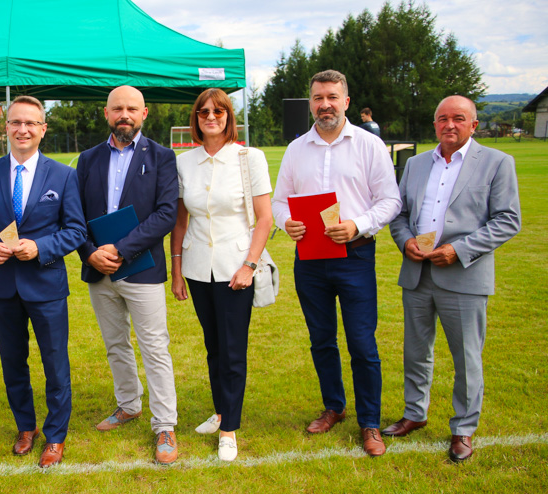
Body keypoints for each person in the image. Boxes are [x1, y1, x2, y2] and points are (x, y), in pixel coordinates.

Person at [383, 95, 521, 462]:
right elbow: (399, 214)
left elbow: (507, 220)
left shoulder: (496, 162)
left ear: (473, 124)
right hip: (417, 273)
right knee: (415, 351)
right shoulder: (414, 164)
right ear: (434, 125)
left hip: (463, 275)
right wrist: (405, 241)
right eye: (442, 119)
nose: (450, 125)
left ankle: (463, 428)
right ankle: (415, 413)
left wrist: (459, 250)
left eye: (459, 118)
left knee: (466, 357)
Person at [271, 70, 401, 457]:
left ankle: (371, 422)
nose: (324, 104)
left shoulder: (368, 144)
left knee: (362, 342)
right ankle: (334, 406)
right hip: (309, 257)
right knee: (321, 338)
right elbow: (280, 201)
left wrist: (357, 224)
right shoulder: (297, 149)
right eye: (317, 97)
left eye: (331, 97)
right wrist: (286, 222)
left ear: (346, 101)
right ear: (310, 102)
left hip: (355, 254)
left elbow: (390, 200)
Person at [0, 96, 85, 469]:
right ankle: (25, 426)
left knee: (55, 362)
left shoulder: (64, 175)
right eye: (15, 123)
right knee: (12, 362)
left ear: (42, 129)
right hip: (3, 285)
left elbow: (75, 230)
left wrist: (41, 247)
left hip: (46, 284)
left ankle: (55, 435)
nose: (23, 129)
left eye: (31, 123)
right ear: (6, 128)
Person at [76, 86, 180, 465]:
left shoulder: (164, 158)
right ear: (106, 113)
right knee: (115, 342)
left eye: (132, 109)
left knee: (154, 346)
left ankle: (165, 423)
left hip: (142, 268)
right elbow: (75, 216)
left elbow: (166, 214)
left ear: (145, 113)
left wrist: (120, 249)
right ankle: (128, 404)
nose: (125, 114)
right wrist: (90, 252)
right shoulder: (86, 160)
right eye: (118, 108)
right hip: (98, 268)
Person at [170, 88, 274, 461]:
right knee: (214, 346)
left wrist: (249, 265)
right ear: (195, 119)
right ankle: (219, 411)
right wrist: (177, 270)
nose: (211, 117)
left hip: (236, 269)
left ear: (229, 116)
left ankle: (229, 428)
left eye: (218, 111)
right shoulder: (184, 163)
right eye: (203, 112)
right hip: (198, 269)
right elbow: (180, 221)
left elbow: (265, 218)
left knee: (232, 351)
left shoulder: (250, 158)